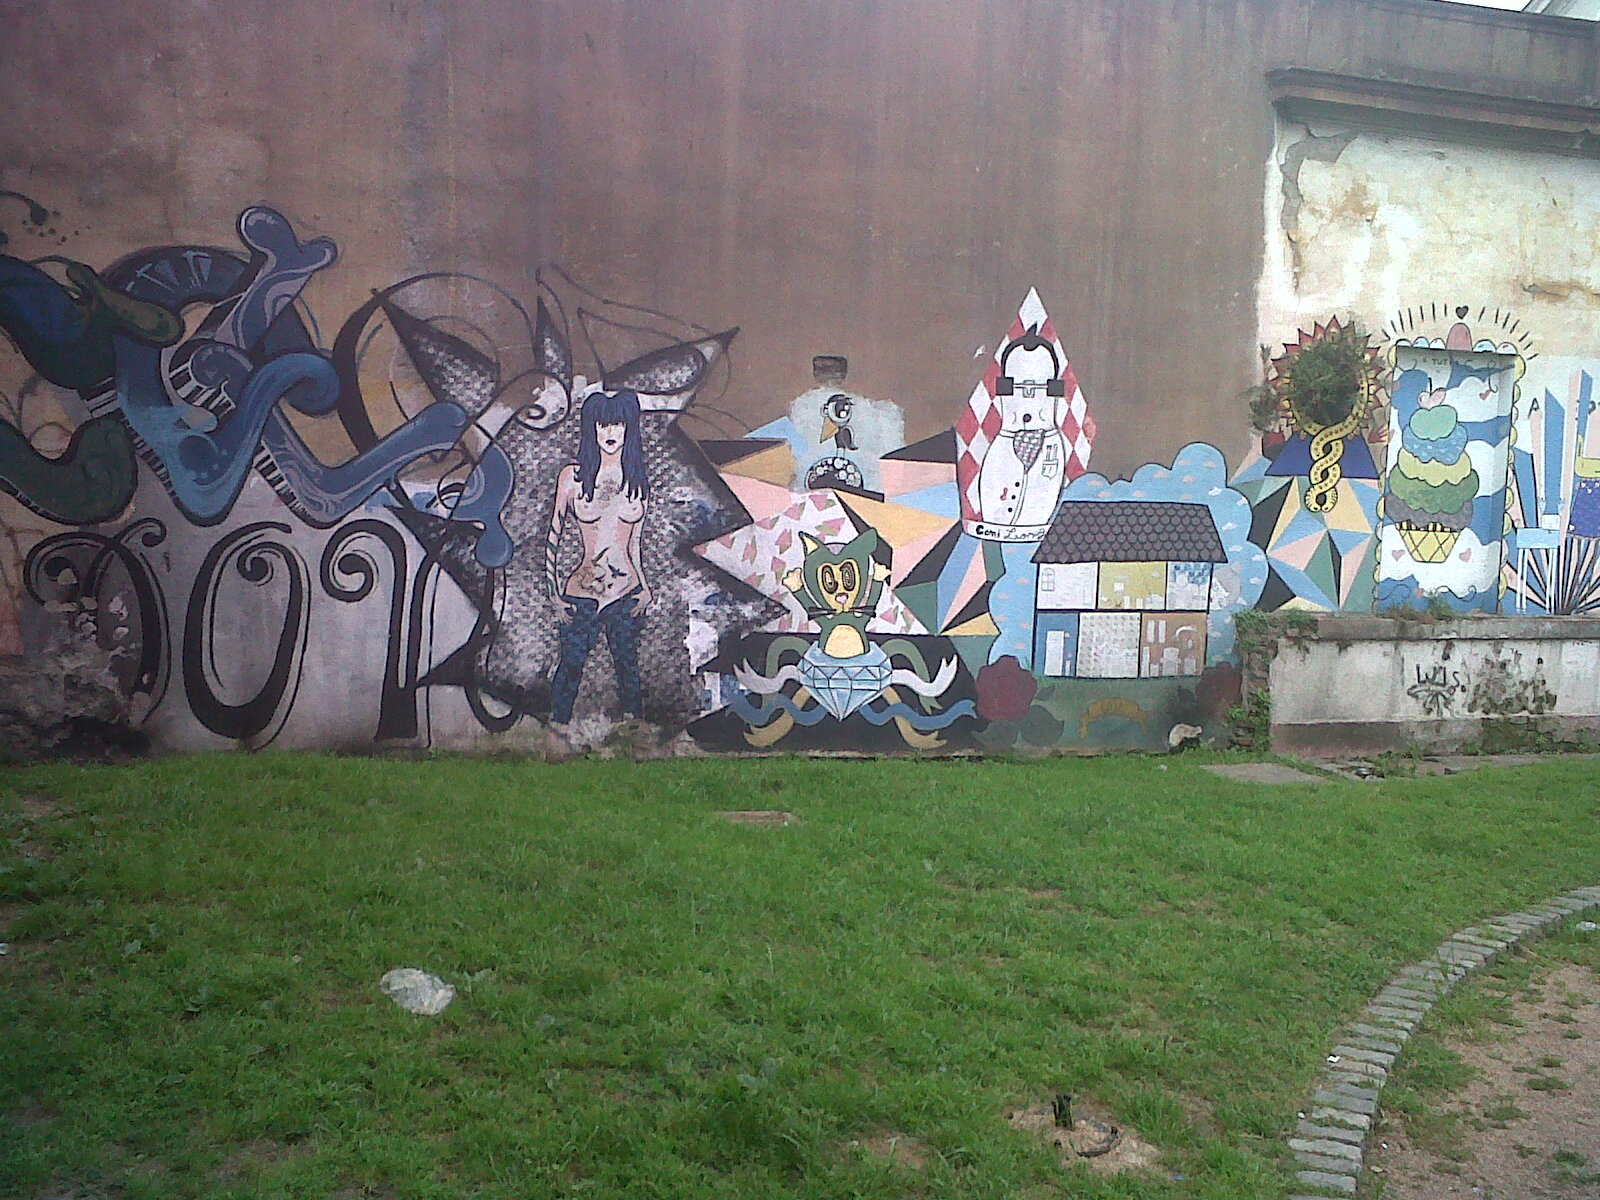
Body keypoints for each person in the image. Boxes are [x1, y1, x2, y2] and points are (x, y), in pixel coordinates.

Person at [544, 389, 652, 724]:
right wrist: (553, 594)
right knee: (570, 667)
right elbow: (553, 536)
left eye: (617, 424)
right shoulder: (573, 478)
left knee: (628, 669)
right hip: (583, 592)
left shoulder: (637, 481)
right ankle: (557, 733)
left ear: (629, 428)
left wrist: (645, 588)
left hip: (626, 592)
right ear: (592, 429)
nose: (609, 432)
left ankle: (633, 736)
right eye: (602, 425)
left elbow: (634, 544)